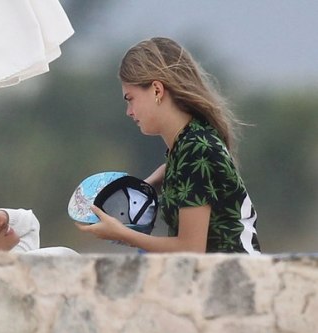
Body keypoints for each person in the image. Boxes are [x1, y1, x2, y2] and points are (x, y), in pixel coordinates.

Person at [75, 37, 261, 255]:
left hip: (233, 280)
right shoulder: (190, 142)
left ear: (156, 90)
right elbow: (183, 173)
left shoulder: (195, 149)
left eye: (130, 98)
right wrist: (149, 184)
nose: (129, 111)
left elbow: (190, 249)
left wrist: (124, 234)